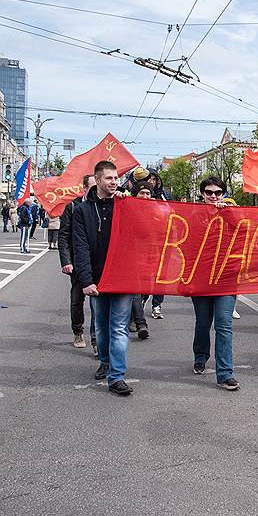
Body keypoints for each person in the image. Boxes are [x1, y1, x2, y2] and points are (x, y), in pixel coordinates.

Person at [73, 161, 134, 396]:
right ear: (97, 180)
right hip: (97, 279)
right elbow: (80, 246)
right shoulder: (82, 210)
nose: (114, 182)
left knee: (118, 327)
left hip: (122, 277)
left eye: (116, 178)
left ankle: (117, 376)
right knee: (102, 326)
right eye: (109, 178)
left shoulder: (124, 205)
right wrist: (86, 280)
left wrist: (128, 202)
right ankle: (106, 362)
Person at [191, 176, 240, 391]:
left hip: (226, 278)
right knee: (203, 323)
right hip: (201, 278)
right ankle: (200, 356)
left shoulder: (232, 213)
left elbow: (243, 233)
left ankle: (225, 373)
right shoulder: (193, 214)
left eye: (218, 192)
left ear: (224, 194)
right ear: (202, 194)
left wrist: (227, 213)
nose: (213, 196)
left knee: (224, 323)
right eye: (209, 192)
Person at [59, 175, 97, 352]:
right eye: (93, 186)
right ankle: (78, 331)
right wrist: (66, 261)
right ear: (84, 189)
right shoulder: (73, 207)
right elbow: (64, 236)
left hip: (98, 262)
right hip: (77, 262)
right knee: (77, 300)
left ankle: (97, 340)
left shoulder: (102, 206)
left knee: (98, 303)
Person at [128, 181, 153, 340]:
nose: (145, 196)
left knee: (146, 290)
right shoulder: (128, 208)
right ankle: (141, 323)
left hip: (151, 256)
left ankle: (132, 316)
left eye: (148, 193)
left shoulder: (156, 210)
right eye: (142, 193)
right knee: (136, 289)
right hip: (132, 256)